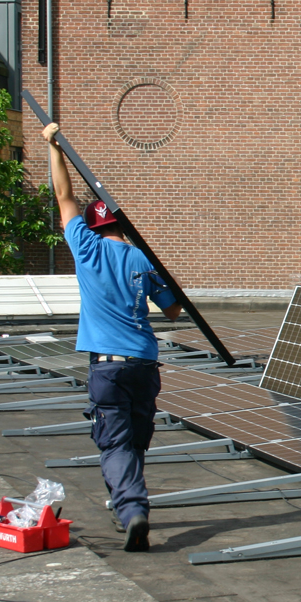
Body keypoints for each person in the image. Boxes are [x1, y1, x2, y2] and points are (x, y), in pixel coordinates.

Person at [43, 122, 181, 552]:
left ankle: (132, 508)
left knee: (115, 441)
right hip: (144, 363)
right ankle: (126, 499)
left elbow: (64, 197)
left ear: (92, 226)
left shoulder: (85, 248)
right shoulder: (142, 257)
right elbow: (174, 310)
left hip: (108, 366)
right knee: (136, 440)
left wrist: (54, 146)